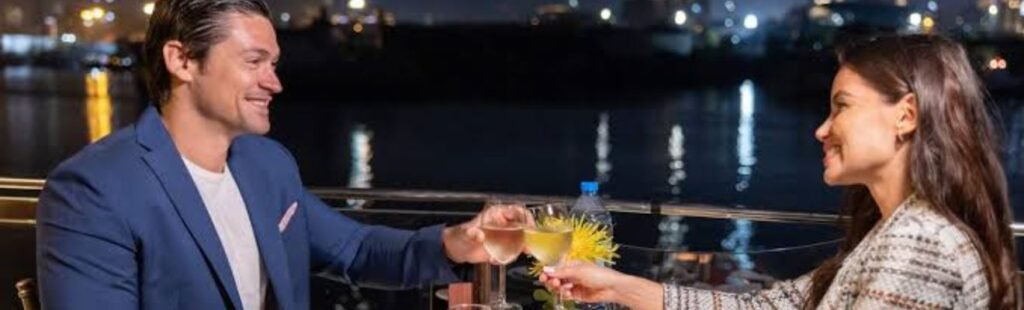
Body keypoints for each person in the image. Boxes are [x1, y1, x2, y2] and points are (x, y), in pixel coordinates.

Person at [36, 0, 492, 308]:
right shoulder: (92, 190)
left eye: (273, 65)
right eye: (254, 62)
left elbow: (354, 249)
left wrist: (456, 241)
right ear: (182, 61)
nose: (274, 83)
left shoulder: (267, 164)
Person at [541, 34, 1021, 309]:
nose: (821, 129)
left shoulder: (920, 241)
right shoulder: (896, 229)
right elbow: (769, 307)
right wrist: (618, 286)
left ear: (906, 115)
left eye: (841, 107)